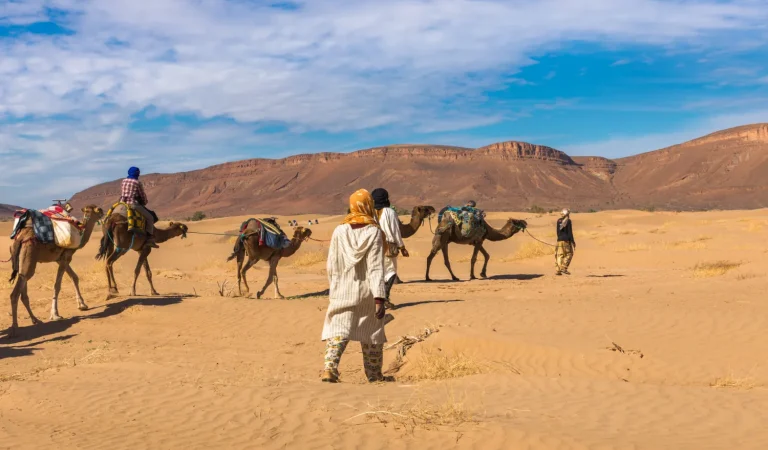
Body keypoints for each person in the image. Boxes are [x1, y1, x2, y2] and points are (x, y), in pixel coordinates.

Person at [321, 189, 390, 383]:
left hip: (342, 289)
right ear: (369, 206)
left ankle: (329, 369)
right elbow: (376, 268)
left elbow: (331, 263)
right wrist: (379, 298)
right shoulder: (374, 231)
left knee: (338, 329)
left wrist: (334, 287)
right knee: (372, 333)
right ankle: (374, 375)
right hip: (367, 292)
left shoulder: (339, 230)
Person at [371, 188, 408, 310]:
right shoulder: (390, 212)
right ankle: (385, 297)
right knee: (391, 272)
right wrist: (401, 247)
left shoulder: (369, 212)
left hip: (373, 246)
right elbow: (395, 230)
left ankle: (377, 299)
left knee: (377, 272)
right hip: (388, 245)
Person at [119, 167, 158, 248]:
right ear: (137, 173)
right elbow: (142, 195)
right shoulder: (137, 182)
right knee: (150, 218)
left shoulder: (123, 181)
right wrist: (144, 202)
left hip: (122, 204)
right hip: (133, 204)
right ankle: (149, 238)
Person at [555, 208, 575, 275]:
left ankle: (558, 270)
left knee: (559, 255)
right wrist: (572, 241)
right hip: (566, 240)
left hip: (559, 240)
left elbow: (557, 232)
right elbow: (570, 232)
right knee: (569, 254)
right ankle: (564, 267)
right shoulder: (568, 221)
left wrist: (559, 238)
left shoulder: (558, 221)